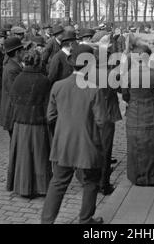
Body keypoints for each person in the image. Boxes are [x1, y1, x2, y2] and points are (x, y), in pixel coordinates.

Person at [41, 44, 108, 224]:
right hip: (87, 144)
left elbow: (50, 116)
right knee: (91, 182)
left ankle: (46, 221)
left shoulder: (58, 86)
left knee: (58, 183)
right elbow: (102, 121)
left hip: (63, 143)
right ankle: (86, 220)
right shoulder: (95, 89)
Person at [7, 49, 52, 198]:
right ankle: (41, 187)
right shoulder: (44, 80)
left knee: (23, 157)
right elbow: (48, 105)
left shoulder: (18, 78)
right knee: (39, 156)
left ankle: (23, 187)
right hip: (38, 123)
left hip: (20, 123)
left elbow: (12, 100)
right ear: (38, 62)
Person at [122, 43, 154, 186]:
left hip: (135, 115)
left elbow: (125, 96)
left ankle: (137, 176)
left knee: (136, 146)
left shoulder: (127, 75)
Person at [91, 31, 122, 195]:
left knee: (93, 147)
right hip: (106, 111)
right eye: (109, 42)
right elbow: (118, 86)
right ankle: (103, 183)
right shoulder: (107, 64)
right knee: (105, 149)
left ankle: (89, 181)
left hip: (91, 113)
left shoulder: (89, 62)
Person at [0, 38, 24, 138]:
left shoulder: (14, 66)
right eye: (23, 50)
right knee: (16, 143)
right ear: (17, 52)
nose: (24, 52)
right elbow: (15, 93)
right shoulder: (12, 69)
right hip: (13, 113)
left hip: (14, 112)